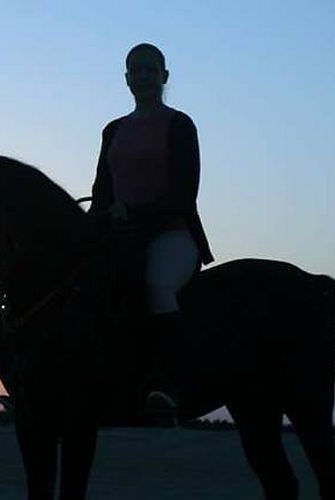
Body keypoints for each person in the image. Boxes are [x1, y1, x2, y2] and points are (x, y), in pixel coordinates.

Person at [88, 43, 214, 417]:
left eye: (150, 69)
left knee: (157, 284)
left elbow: (184, 193)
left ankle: (168, 383)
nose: (142, 76)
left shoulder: (179, 124)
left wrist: (135, 215)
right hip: (120, 236)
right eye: (135, 70)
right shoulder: (113, 130)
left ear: (164, 76)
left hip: (171, 234)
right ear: (126, 79)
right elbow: (101, 190)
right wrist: (98, 219)